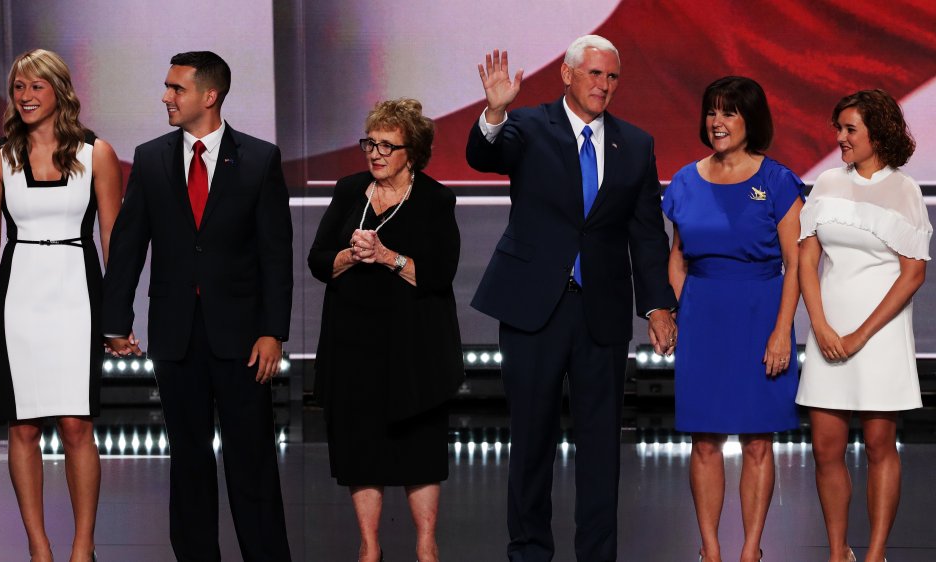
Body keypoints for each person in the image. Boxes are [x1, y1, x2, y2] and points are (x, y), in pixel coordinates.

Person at [465, 36, 677, 561]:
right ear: (566, 74)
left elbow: (647, 233)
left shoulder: (637, 143)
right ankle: (530, 552)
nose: (603, 85)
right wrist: (494, 111)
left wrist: (657, 305)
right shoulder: (529, 126)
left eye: (611, 77)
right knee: (531, 439)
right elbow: (483, 154)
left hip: (600, 313)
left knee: (602, 447)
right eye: (593, 74)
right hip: (533, 306)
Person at [102, 51, 293, 561]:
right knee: (187, 462)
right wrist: (115, 321)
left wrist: (274, 330)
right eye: (167, 87)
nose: (166, 97)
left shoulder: (258, 159)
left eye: (176, 88)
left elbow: (276, 253)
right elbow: (128, 244)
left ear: (209, 96)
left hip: (243, 339)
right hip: (175, 333)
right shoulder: (149, 158)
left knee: (251, 461)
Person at [0, 48, 122, 562]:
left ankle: (83, 547)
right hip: (20, 297)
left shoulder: (95, 153)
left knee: (77, 424)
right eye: (19, 87)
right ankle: (39, 548)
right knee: (22, 424)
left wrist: (118, 316)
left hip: (78, 293)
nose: (27, 96)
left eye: (37, 86)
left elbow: (112, 238)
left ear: (59, 90)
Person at [308, 98, 464, 562]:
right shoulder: (348, 191)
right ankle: (369, 546)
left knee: (419, 453)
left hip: (416, 350)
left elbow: (440, 274)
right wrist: (348, 256)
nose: (374, 154)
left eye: (386, 146)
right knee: (361, 452)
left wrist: (386, 257)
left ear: (411, 154)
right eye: (369, 143)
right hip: (354, 347)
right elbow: (319, 261)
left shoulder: (436, 199)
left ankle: (425, 545)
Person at [663, 76, 804, 562]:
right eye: (711, 113)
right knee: (704, 441)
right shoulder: (685, 179)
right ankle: (710, 551)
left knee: (758, 441)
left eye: (729, 113)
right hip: (704, 318)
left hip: (760, 316)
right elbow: (677, 258)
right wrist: (686, 313)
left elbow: (796, 263)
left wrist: (783, 330)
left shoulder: (778, 181)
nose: (717, 123)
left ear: (751, 120)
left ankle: (749, 551)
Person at [796, 90, 930, 562]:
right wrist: (821, 325)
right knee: (826, 447)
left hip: (880, 335)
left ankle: (875, 554)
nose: (840, 139)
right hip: (828, 331)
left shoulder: (904, 190)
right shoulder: (827, 183)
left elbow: (913, 272)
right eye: (838, 129)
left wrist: (860, 335)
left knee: (878, 444)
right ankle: (839, 553)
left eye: (850, 129)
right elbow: (806, 260)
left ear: (879, 131)